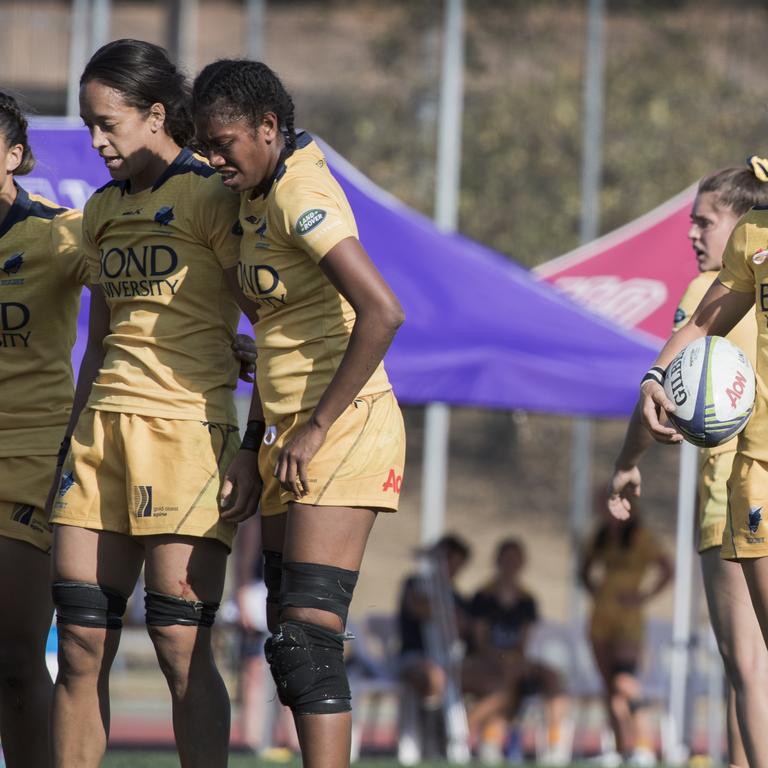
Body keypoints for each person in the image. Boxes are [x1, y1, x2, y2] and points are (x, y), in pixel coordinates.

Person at [192, 59, 406, 768]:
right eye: (205, 145)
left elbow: (382, 312)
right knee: (288, 635)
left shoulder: (302, 192)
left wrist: (314, 427)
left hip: (343, 433)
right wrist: (256, 443)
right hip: (289, 440)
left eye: (225, 142)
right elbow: (282, 344)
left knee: (308, 637)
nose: (214, 157)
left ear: (269, 128)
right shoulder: (254, 196)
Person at [48, 40, 256, 768]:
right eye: (88, 126)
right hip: (100, 440)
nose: (97, 141)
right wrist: (70, 445)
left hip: (185, 440)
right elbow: (100, 343)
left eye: (108, 123)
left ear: (156, 114)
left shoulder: (211, 195)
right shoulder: (101, 211)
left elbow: (264, 313)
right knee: (79, 641)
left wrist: (255, 400)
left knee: (179, 642)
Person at [609, 162, 768, 767]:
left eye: (706, 220)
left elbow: (671, 387)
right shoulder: (746, 267)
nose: (693, 234)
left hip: (733, 492)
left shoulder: (705, 289)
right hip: (751, 482)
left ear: (739, 218)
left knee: (747, 668)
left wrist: (626, 461)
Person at [0, 92, 88, 768]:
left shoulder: (61, 235)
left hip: (25, 461)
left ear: (13, 155)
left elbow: (143, 295)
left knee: (16, 663)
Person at [581, 501, 673, 767]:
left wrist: (643, 597)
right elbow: (584, 569)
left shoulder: (641, 537)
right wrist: (595, 590)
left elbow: (667, 568)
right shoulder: (599, 537)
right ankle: (620, 748)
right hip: (600, 618)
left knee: (625, 679)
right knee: (609, 686)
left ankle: (645, 743)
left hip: (628, 619)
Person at [467, 538, 570, 765]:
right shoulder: (484, 595)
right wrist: (503, 659)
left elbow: (523, 643)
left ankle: (556, 743)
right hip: (485, 662)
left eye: (516, 558)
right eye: (507, 558)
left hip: (515, 660)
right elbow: (479, 641)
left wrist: (516, 660)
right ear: (498, 560)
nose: (511, 563)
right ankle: (487, 736)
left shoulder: (526, 599)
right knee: (509, 677)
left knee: (551, 676)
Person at [397, 534, 472, 758]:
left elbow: (462, 629)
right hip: (414, 657)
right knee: (435, 677)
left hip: (448, 660)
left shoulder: (456, 596)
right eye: (447, 560)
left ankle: (459, 741)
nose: (450, 568)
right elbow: (418, 609)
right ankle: (432, 745)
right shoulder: (416, 584)